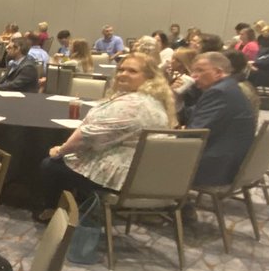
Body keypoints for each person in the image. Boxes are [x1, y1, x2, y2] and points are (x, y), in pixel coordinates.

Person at [38, 53, 173, 219]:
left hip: (123, 178)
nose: (123, 74)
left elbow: (86, 137)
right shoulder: (154, 101)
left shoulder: (131, 104)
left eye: (132, 71)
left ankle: (54, 212)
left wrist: (60, 150)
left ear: (149, 77)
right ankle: (78, 206)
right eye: (121, 69)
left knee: (51, 164)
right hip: (146, 175)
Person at [182, 52, 257, 188]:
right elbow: (191, 114)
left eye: (200, 70)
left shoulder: (219, 92)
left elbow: (193, 133)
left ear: (218, 72)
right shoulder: (228, 86)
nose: (193, 76)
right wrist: (176, 97)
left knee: (149, 155)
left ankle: (167, 202)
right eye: (193, 71)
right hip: (227, 157)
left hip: (216, 166)